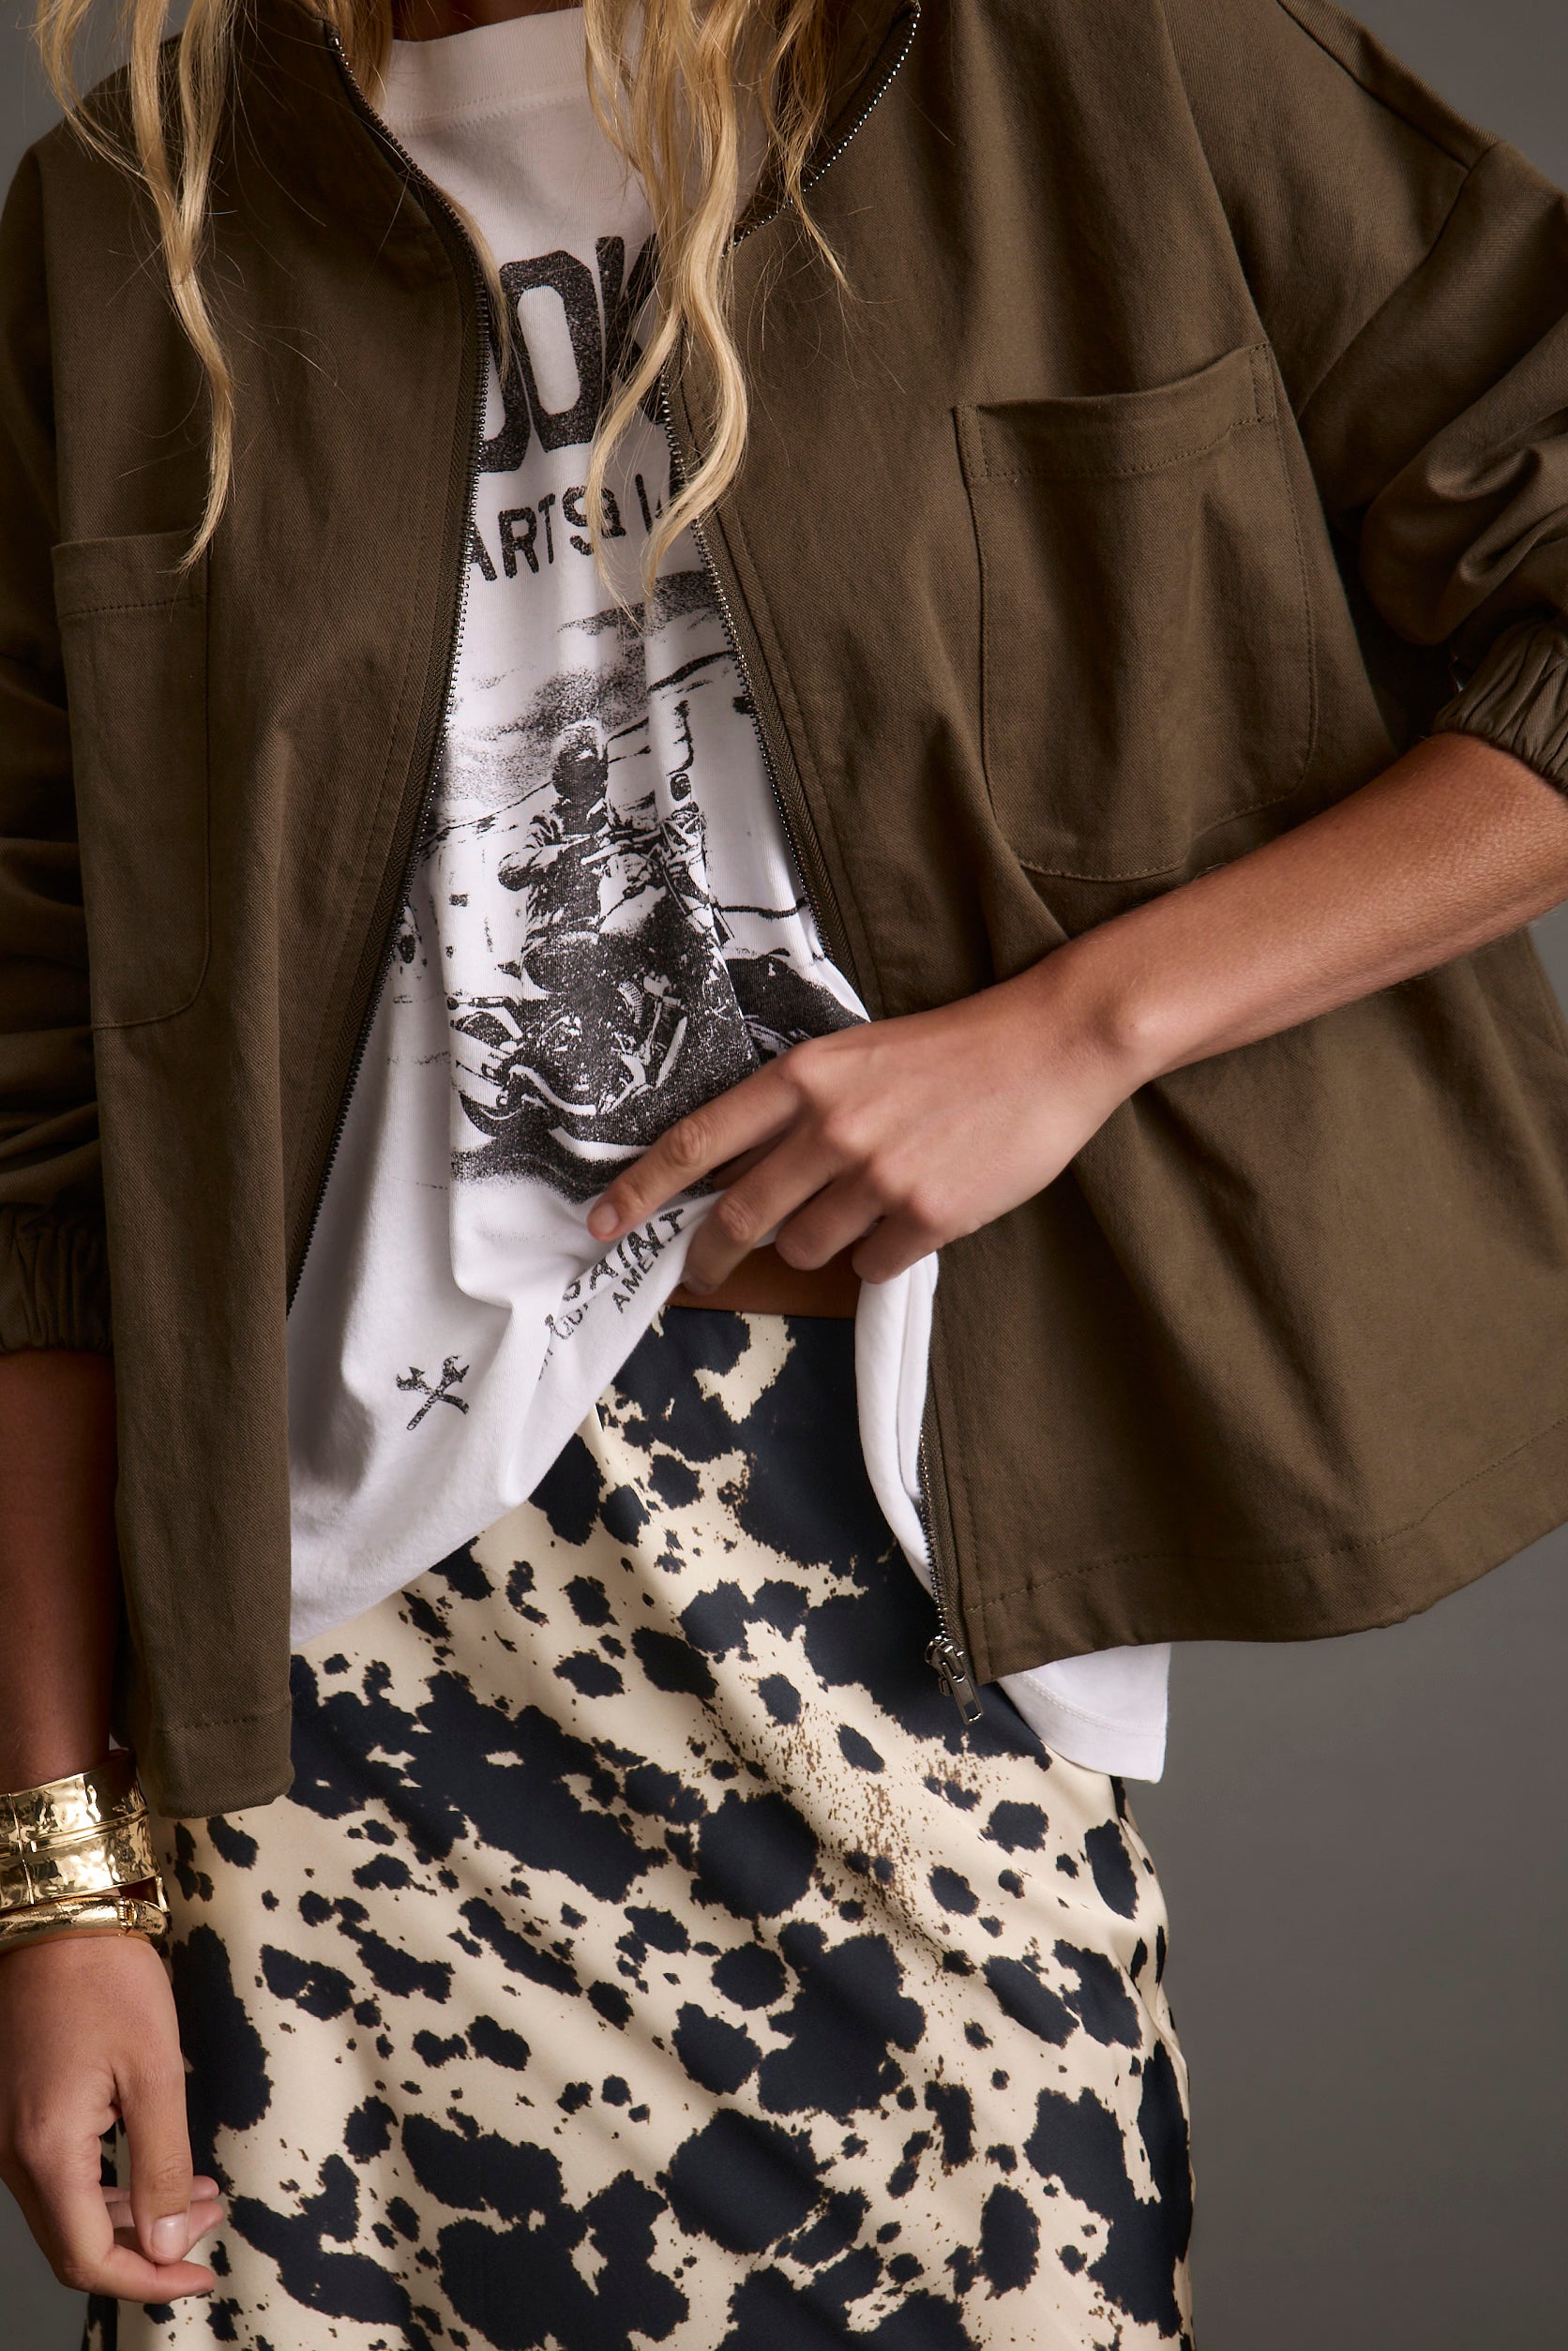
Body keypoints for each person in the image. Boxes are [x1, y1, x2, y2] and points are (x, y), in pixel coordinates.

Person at [5, 0, 1568, 2340]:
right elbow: (37, 1143)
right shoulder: (138, 221)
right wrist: (59, 1881)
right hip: (320, 1698)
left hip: (895, 1596)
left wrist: (1074, 1033)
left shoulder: (1079, 65)